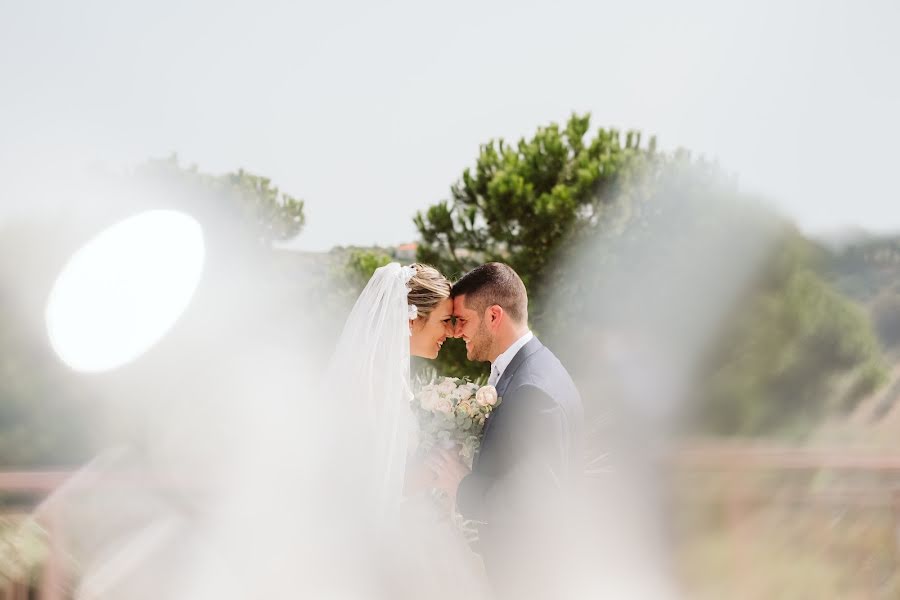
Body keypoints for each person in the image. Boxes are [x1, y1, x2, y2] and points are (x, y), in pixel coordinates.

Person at [427, 262, 585, 600]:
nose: (457, 333)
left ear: (494, 316)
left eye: (464, 321)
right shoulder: (529, 369)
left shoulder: (532, 390)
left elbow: (535, 502)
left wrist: (462, 486)